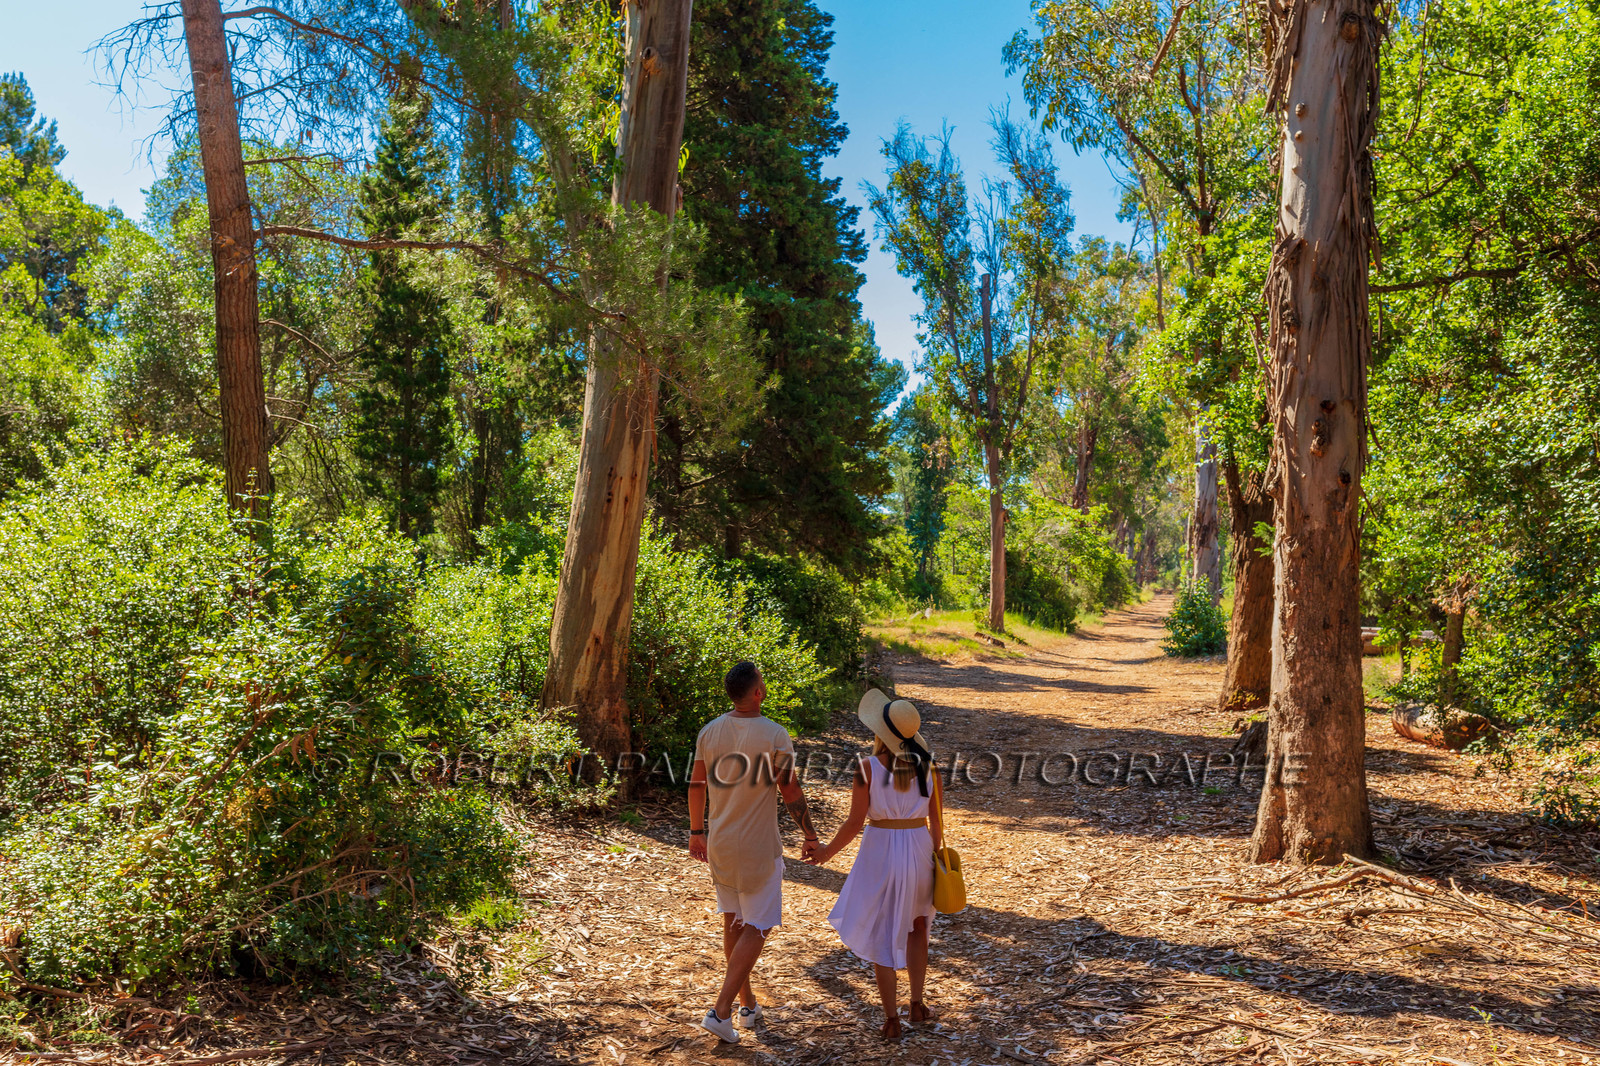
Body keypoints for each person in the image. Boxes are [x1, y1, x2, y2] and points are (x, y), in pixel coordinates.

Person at [688, 661, 821, 1043]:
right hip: (758, 846)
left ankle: (747, 1004)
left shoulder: (710, 732)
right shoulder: (775, 735)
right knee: (758, 926)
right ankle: (720, 1010)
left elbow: (697, 785)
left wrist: (697, 831)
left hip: (720, 843)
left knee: (734, 918)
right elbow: (790, 791)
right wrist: (810, 835)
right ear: (758, 692)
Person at [808, 689, 942, 1040]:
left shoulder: (867, 768)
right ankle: (916, 1003)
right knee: (917, 928)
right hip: (918, 847)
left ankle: (891, 1019)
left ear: (879, 733)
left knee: (884, 933)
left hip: (880, 850)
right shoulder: (929, 768)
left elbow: (854, 823)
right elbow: (938, 825)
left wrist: (825, 852)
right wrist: (933, 861)